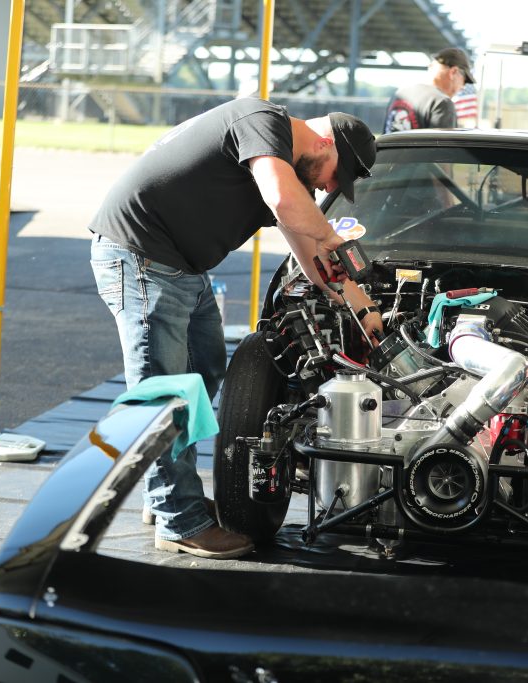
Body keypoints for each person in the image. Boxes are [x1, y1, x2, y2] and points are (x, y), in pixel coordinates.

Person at [89, 98, 383, 560]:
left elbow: (307, 252)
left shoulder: (282, 169)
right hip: (141, 257)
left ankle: (164, 495)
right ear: (324, 142)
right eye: (333, 175)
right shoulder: (263, 122)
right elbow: (289, 205)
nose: (329, 187)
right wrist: (332, 236)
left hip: (181, 268)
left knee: (202, 375)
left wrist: (361, 309)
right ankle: (179, 520)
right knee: (161, 394)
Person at [384, 47, 475, 133]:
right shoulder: (442, 102)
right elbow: (443, 148)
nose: (463, 87)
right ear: (453, 72)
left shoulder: (399, 94)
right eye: (464, 80)